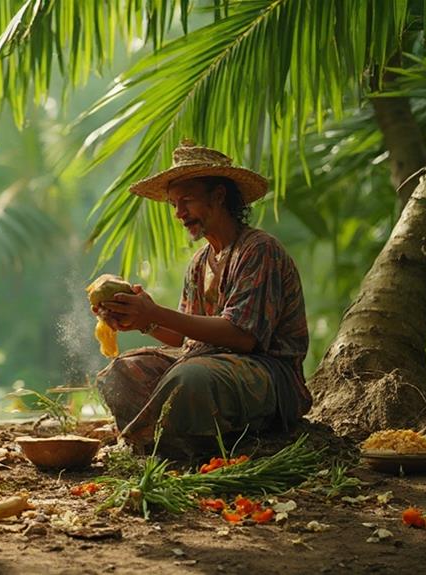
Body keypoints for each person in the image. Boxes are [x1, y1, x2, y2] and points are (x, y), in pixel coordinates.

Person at [93, 141, 311, 457]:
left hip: (269, 376)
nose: (179, 213)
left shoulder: (260, 250)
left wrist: (155, 312)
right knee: (122, 372)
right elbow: (183, 338)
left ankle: (173, 448)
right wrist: (143, 320)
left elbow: (241, 337)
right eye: (173, 205)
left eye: (187, 201)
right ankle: (158, 444)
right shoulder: (200, 261)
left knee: (190, 378)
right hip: (203, 362)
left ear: (219, 197)